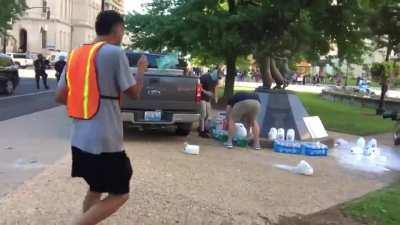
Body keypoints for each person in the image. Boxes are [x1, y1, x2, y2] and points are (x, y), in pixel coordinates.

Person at [55, 10, 149, 225]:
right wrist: (141, 70)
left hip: (79, 139)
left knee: (96, 188)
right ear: (117, 28)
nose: (123, 34)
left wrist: (87, 101)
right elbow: (134, 93)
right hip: (105, 141)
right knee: (120, 193)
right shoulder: (114, 53)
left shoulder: (76, 53)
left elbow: (60, 96)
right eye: (123, 29)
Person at [198, 67, 220, 138]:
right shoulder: (205, 77)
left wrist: (216, 97)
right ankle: (202, 131)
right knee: (203, 114)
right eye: (218, 77)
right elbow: (199, 87)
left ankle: (202, 127)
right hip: (202, 97)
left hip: (207, 99)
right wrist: (205, 92)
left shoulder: (215, 80)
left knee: (208, 115)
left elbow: (215, 90)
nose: (218, 79)